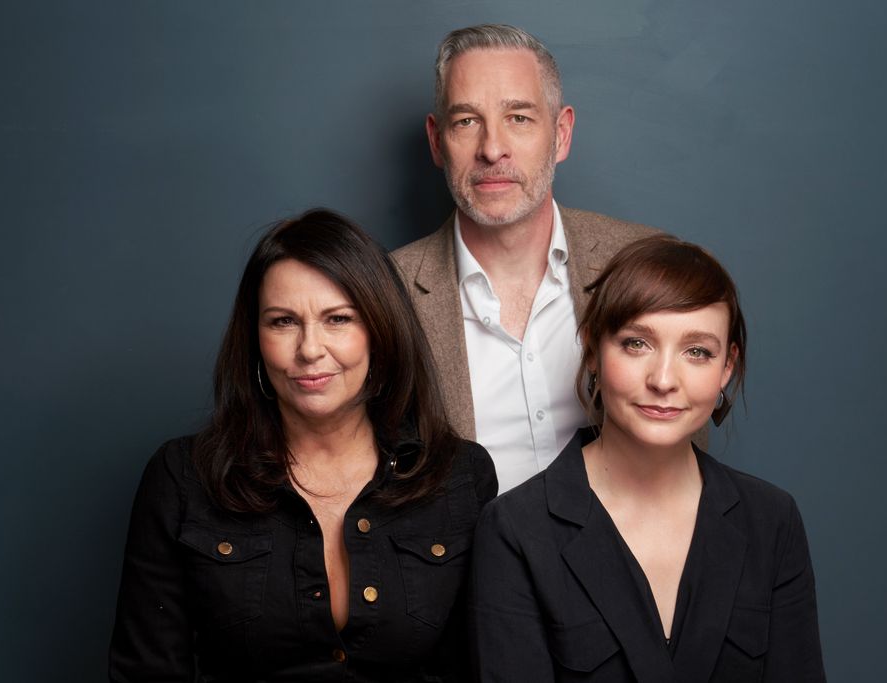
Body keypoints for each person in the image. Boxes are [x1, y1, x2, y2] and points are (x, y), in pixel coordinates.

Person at [110, 209, 496, 682]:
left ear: (380, 331)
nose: (310, 349)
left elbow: (477, 667)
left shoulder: (458, 475)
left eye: (338, 319)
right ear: (255, 340)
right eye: (283, 321)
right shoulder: (183, 478)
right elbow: (147, 673)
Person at [470, 235, 826, 682]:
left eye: (697, 352)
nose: (663, 379)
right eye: (637, 343)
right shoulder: (516, 530)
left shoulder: (772, 521)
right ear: (593, 349)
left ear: (727, 368)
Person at [393, 24, 666, 493]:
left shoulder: (645, 262)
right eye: (466, 121)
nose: (492, 148)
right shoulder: (386, 291)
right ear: (437, 142)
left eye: (518, 117)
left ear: (561, 135)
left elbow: (683, 454)